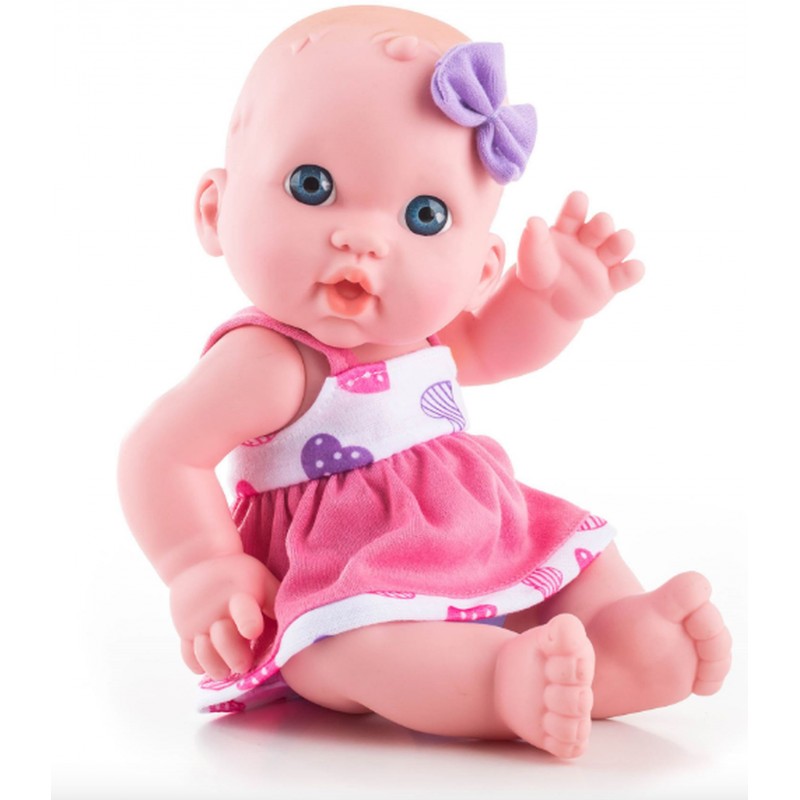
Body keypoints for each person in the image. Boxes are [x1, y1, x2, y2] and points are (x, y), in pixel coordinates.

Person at [118, 6, 731, 759]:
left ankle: (621, 639)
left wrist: (553, 304)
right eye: (313, 186)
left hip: (479, 532)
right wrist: (203, 566)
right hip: (343, 581)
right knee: (362, 651)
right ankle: (503, 684)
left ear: (482, 268)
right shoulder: (271, 362)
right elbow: (160, 453)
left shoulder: (427, 336)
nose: (364, 238)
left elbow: (492, 349)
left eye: (425, 215)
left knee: (576, 553)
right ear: (216, 209)